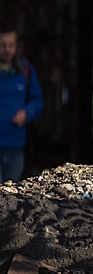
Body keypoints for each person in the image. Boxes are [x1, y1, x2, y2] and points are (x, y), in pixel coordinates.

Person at [0, 29, 43, 182]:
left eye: (11, 45)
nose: (7, 50)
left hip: (15, 145)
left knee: (11, 191)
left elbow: (37, 101)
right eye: (3, 45)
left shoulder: (25, 71)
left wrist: (26, 113)